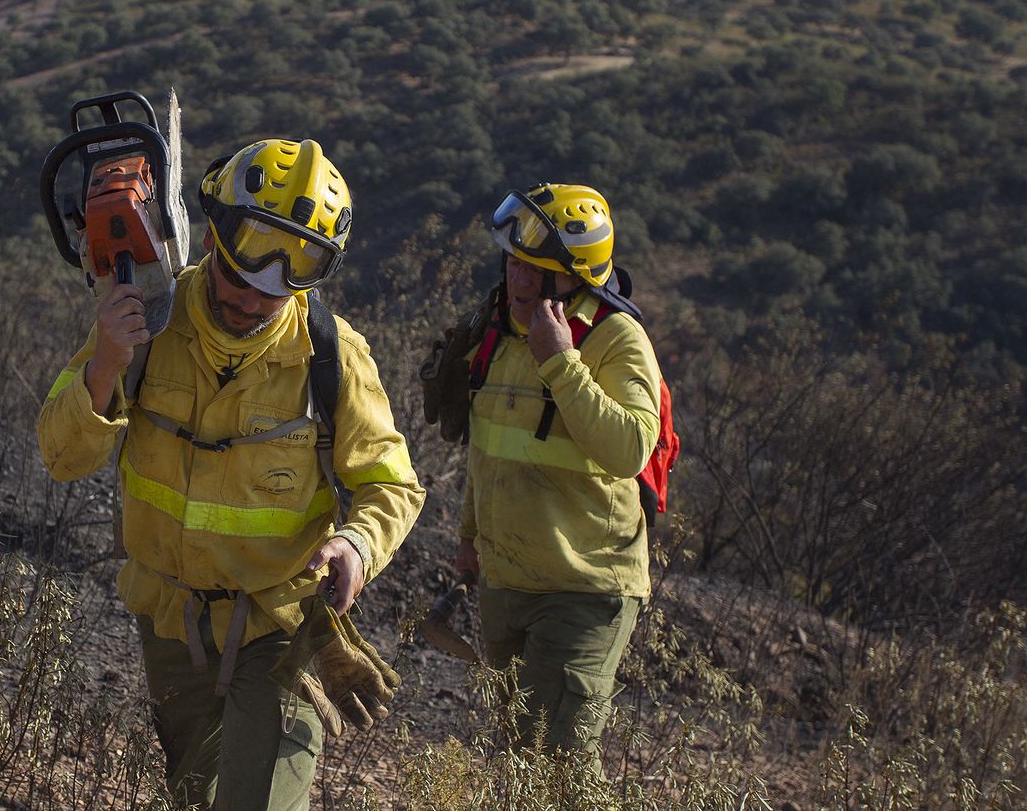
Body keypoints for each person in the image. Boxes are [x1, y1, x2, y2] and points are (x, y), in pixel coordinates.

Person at [38, 138, 425, 811]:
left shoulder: (331, 355)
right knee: (196, 795)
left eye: (281, 289)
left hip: (280, 625)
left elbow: (392, 484)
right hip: (172, 626)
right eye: (242, 279)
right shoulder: (145, 323)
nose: (254, 301)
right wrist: (104, 365)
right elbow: (61, 456)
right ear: (212, 238)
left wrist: (357, 544)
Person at [453, 182, 663, 778]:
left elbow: (630, 448)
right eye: (513, 261)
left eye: (536, 270)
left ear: (576, 278)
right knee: (521, 762)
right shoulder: (500, 332)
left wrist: (561, 362)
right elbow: (488, 449)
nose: (517, 278)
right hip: (506, 583)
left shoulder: (617, 339)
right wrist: (469, 536)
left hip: (584, 589)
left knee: (559, 765)